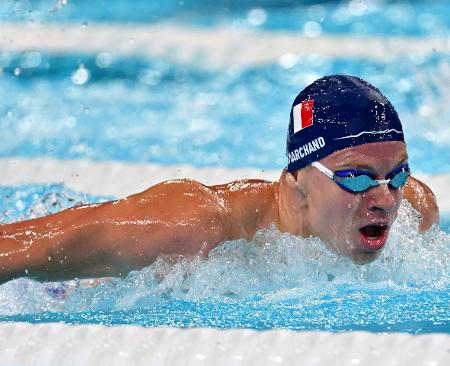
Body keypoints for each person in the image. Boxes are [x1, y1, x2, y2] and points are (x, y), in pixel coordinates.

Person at [0, 75, 438, 284]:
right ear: (296, 182)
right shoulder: (192, 227)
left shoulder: (415, 211)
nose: (386, 199)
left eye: (397, 174)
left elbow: (403, 192)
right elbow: (15, 249)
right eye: (358, 179)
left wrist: (381, 180)